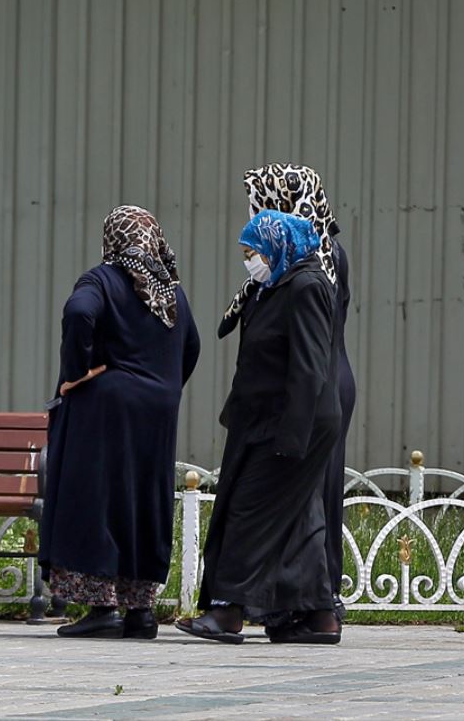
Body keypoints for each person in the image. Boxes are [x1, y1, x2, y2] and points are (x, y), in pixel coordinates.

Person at [178, 209, 341, 645]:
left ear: (276, 245)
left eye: (253, 252)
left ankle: (228, 611)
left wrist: (293, 436)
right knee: (298, 516)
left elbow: (309, 368)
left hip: (289, 422)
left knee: (248, 510)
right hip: (263, 419)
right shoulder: (275, 285)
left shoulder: (306, 286)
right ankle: (317, 616)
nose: (250, 260)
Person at [38, 205, 201, 639]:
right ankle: (140, 612)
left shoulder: (102, 280)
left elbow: (79, 314)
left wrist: (77, 372)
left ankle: (102, 606)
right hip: (158, 414)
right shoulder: (171, 291)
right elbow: (193, 345)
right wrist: (164, 387)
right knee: (143, 501)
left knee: (98, 500)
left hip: (106, 414)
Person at [219, 163, 356, 623]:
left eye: (263, 201)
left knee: (296, 494)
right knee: (296, 502)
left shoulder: (313, 262)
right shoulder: (283, 263)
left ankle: (298, 600)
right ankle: (299, 605)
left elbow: (309, 349)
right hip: (302, 385)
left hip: (309, 389)